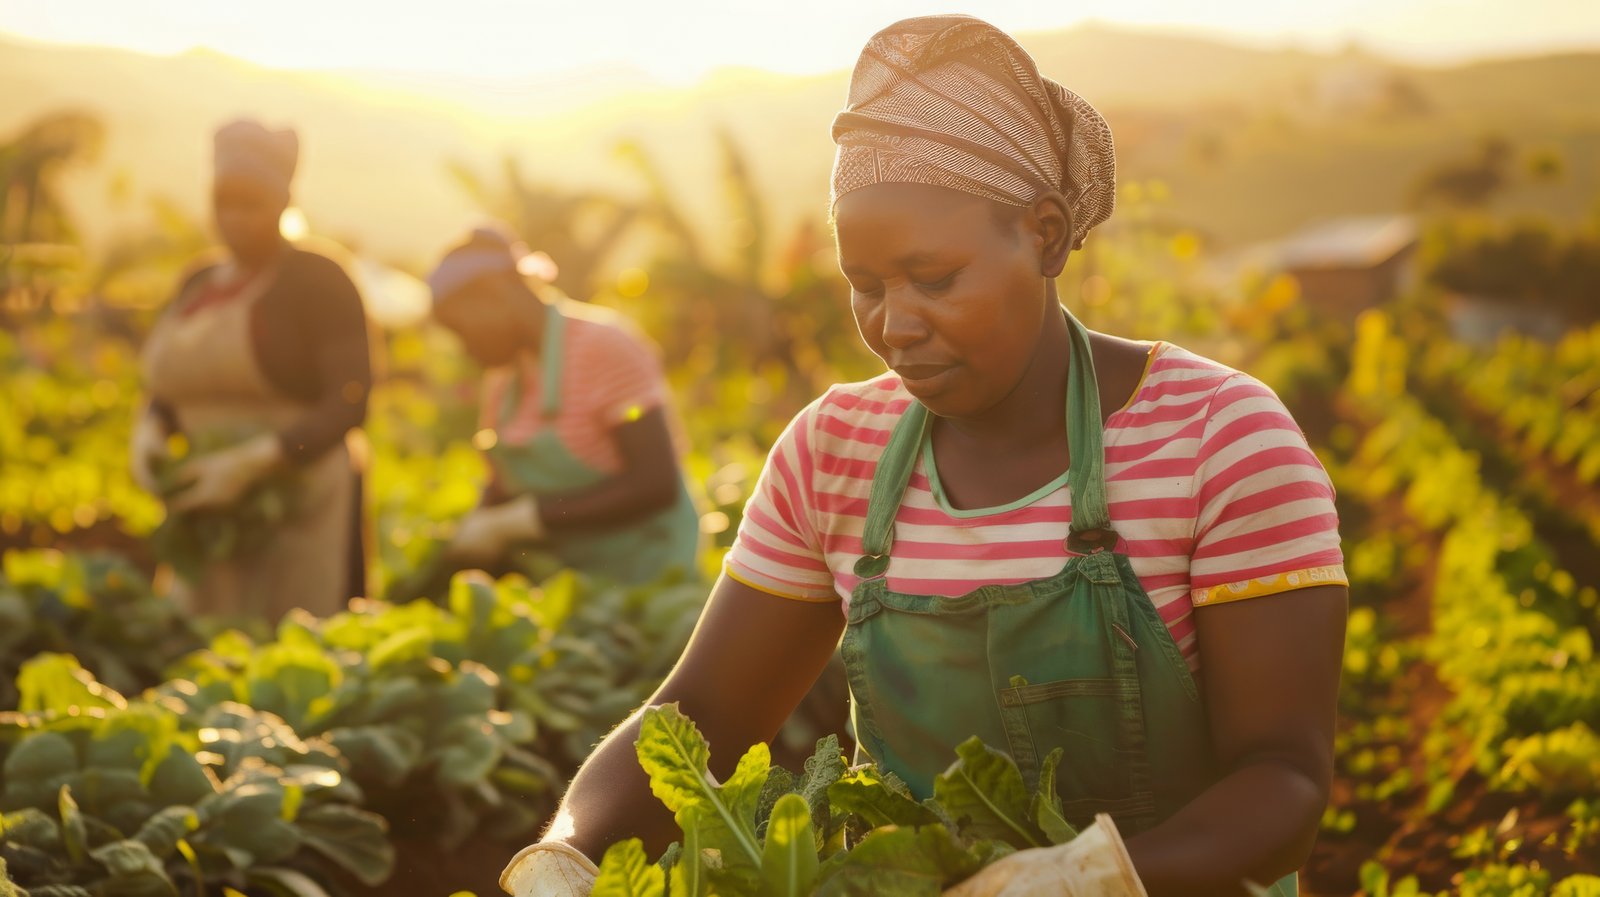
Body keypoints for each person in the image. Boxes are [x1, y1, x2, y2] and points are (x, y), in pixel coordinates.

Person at [501, 15, 1347, 897]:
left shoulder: (1221, 437)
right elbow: (703, 712)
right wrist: (564, 854)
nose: (894, 325)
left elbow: (1282, 778)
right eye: (865, 287)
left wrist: (1085, 880)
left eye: (934, 278)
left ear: (1048, 234)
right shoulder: (832, 454)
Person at [132, 119, 372, 621]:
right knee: (201, 639)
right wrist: (151, 428)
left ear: (284, 203)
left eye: (251, 205)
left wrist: (254, 462)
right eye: (224, 204)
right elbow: (168, 387)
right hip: (206, 503)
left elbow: (350, 399)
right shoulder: (198, 281)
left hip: (299, 501)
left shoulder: (319, 279)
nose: (235, 218)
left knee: (292, 635)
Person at [428, 226, 700, 584]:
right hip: (571, 580)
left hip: (647, 577)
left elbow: (654, 482)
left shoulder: (605, 348)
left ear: (493, 294)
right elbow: (503, 485)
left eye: (461, 329)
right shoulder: (504, 381)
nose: (465, 348)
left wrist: (523, 521)